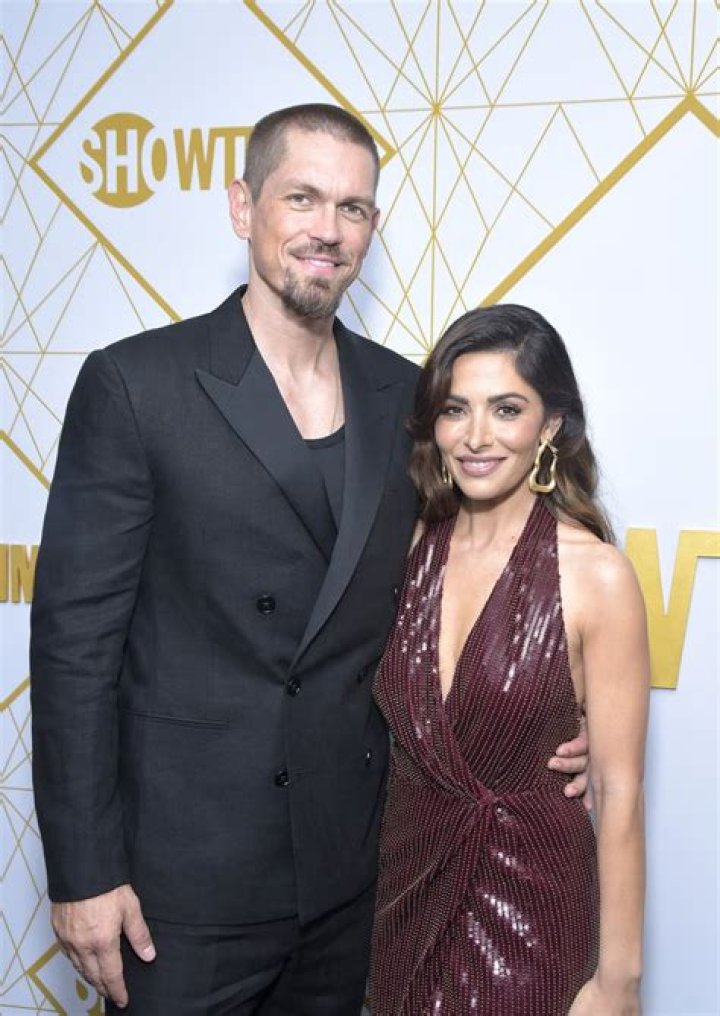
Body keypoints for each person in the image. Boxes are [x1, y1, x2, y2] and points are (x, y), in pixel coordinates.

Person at [30, 105, 589, 1015]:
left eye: (353, 208)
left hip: (351, 875)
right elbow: (73, 651)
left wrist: (556, 720)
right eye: (302, 198)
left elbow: (468, 577)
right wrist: (84, 871)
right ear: (242, 205)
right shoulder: (137, 385)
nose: (328, 229)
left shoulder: (406, 395)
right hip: (182, 887)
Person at [370, 305, 649, 1015]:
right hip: (403, 902)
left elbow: (618, 791)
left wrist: (618, 982)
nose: (476, 436)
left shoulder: (596, 575)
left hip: (534, 911)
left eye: (506, 409)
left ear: (550, 425)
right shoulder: (406, 548)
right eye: (455, 409)